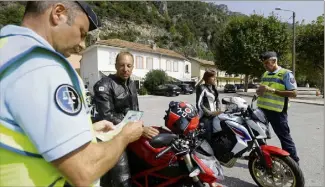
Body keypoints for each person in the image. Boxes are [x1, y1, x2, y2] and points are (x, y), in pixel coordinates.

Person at [0, 1, 144, 186]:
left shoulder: (8, 49)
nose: (82, 45)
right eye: (82, 33)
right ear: (58, 13)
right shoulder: (42, 65)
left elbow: (23, 126)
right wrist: (124, 136)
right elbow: (84, 169)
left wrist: (88, 129)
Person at [93, 51, 160, 187]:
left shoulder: (131, 84)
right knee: (122, 181)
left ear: (133, 67)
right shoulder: (104, 85)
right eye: (122, 65)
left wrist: (140, 126)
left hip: (130, 133)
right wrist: (139, 129)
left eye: (129, 65)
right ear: (116, 65)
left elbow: (134, 110)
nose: (125, 69)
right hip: (111, 138)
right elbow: (107, 116)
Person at [256, 51, 300, 164]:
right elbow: (263, 89)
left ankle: (293, 164)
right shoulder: (265, 74)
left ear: (274, 61)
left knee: (284, 138)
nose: (265, 65)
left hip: (277, 112)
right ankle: (264, 159)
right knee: (259, 136)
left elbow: (294, 93)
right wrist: (259, 92)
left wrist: (272, 90)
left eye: (267, 63)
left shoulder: (286, 74)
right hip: (262, 110)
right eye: (264, 63)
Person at [195, 69, 222, 140]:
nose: (215, 78)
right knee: (208, 136)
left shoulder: (214, 88)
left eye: (215, 77)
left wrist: (218, 110)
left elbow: (218, 100)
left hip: (215, 116)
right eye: (213, 77)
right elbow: (199, 104)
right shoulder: (202, 88)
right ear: (207, 78)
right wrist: (210, 113)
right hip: (205, 117)